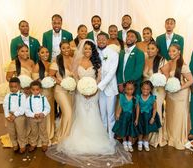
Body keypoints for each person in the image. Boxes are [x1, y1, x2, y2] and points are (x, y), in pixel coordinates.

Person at [46, 39, 132, 168]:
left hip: (94, 93)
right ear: (82, 49)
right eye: (85, 48)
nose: (87, 51)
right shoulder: (77, 62)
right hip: (80, 93)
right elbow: (76, 77)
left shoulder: (97, 62)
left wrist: (93, 90)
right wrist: (81, 89)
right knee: (81, 116)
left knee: (93, 115)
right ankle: (79, 139)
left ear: (93, 50)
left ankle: (97, 138)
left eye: (90, 49)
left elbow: (99, 78)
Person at [161, 44, 193, 150]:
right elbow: (162, 72)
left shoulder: (182, 65)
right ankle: (170, 137)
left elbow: (191, 80)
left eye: (173, 51)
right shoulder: (169, 62)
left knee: (178, 117)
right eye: (169, 51)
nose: (171, 53)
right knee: (170, 115)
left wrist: (179, 88)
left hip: (181, 94)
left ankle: (178, 139)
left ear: (179, 52)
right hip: (170, 94)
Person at [143, 42, 168, 147]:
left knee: (156, 111)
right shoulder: (145, 60)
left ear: (157, 49)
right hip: (145, 90)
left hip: (158, 90)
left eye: (152, 48)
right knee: (146, 112)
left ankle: (156, 138)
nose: (149, 50)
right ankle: (146, 136)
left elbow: (166, 76)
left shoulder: (162, 60)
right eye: (148, 48)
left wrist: (158, 83)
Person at [49, 41, 74, 143]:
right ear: (60, 49)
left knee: (66, 114)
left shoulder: (73, 60)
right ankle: (63, 137)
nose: (66, 50)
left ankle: (64, 132)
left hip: (71, 91)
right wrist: (61, 83)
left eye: (68, 48)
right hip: (60, 90)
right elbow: (51, 75)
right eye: (63, 48)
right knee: (68, 112)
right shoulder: (56, 61)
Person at [97, 33, 119, 139]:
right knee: (102, 115)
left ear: (107, 40)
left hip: (110, 88)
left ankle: (111, 138)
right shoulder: (94, 52)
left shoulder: (114, 53)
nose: (101, 41)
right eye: (99, 39)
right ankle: (103, 137)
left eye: (103, 39)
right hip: (99, 90)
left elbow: (112, 73)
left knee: (110, 115)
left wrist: (100, 85)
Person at [32, 46, 55, 141]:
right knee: (44, 113)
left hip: (51, 92)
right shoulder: (37, 66)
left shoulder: (51, 64)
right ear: (38, 54)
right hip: (43, 93)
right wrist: (43, 83)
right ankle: (44, 135)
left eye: (47, 52)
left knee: (51, 112)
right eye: (42, 52)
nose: (45, 54)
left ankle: (51, 131)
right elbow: (35, 81)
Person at [112, 80, 139, 152]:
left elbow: (137, 109)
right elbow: (121, 106)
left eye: (131, 89)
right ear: (124, 89)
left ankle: (129, 143)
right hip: (123, 116)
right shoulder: (122, 97)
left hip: (131, 117)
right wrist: (117, 113)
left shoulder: (135, 98)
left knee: (130, 129)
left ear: (134, 89)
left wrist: (136, 118)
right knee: (124, 128)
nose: (130, 91)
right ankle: (124, 142)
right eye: (128, 89)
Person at [3, 77, 27, 153]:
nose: (13, 89)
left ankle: (22, 145)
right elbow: (5, 105)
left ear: (19, 87)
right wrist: (7, 115)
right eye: (11, 87)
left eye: (15, 87)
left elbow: (23, 107)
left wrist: (15, 115)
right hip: (10, 115)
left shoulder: (22, 96)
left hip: (19, 115)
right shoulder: (7, 96)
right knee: (11, 131)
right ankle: (14, 144)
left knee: (20, 131)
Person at [117, 30, 145, 95]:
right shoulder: (122, 52)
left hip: (133, 86)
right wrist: (120, 83)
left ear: (136, 40)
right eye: (128, 36)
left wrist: (127, 84)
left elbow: (138, 72)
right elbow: (119, 69)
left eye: (132, 36)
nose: (129, 38)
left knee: (134, 105)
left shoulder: (139, 53)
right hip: (122, 87)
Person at [25, 81, 50, 152]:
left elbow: (47, 108)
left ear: (40, 90)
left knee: (43, 130)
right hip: (32, 118)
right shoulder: (28, 99)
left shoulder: (43, 98)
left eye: (37, 89)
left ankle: (45, 143)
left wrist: (43, 113)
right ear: (30, 90)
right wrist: (33, 115)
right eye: (33, 90)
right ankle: (33, 143)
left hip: (42, 118)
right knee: (34, 131)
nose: (35, 91)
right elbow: (26, 110)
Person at [137, 80, 161, 151]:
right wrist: (136, 118)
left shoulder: (152, 98)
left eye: (147, 89)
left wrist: (153, 118)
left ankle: (146, 142)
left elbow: (154, 109)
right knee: (140, 130)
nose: (145, 90)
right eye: (144, 89)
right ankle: (140, 142)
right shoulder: (138, 97)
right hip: (141, 117)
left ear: (150, 89)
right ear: (141, 89)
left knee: (147, 131)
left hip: (149, 117)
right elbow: (137, 108)